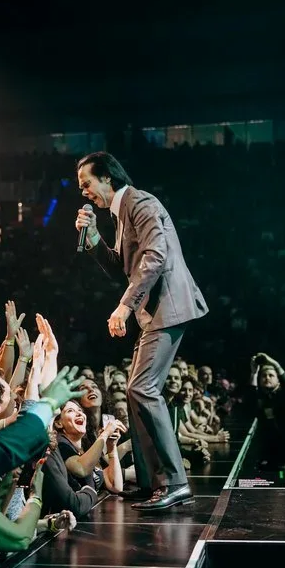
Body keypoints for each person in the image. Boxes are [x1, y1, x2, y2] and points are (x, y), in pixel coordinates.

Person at [74, 151, 208, 511]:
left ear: (107, 177)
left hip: (168, 307)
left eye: (87, 183)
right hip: (155, 312)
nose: (84, 192)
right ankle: (153, 482)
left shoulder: (140, 202)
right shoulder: (120, 215)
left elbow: (155, 255)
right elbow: (122, 265)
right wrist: (91, 241)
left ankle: (175, 482)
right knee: (136, 392)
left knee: (141, 388)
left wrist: (124, 306)